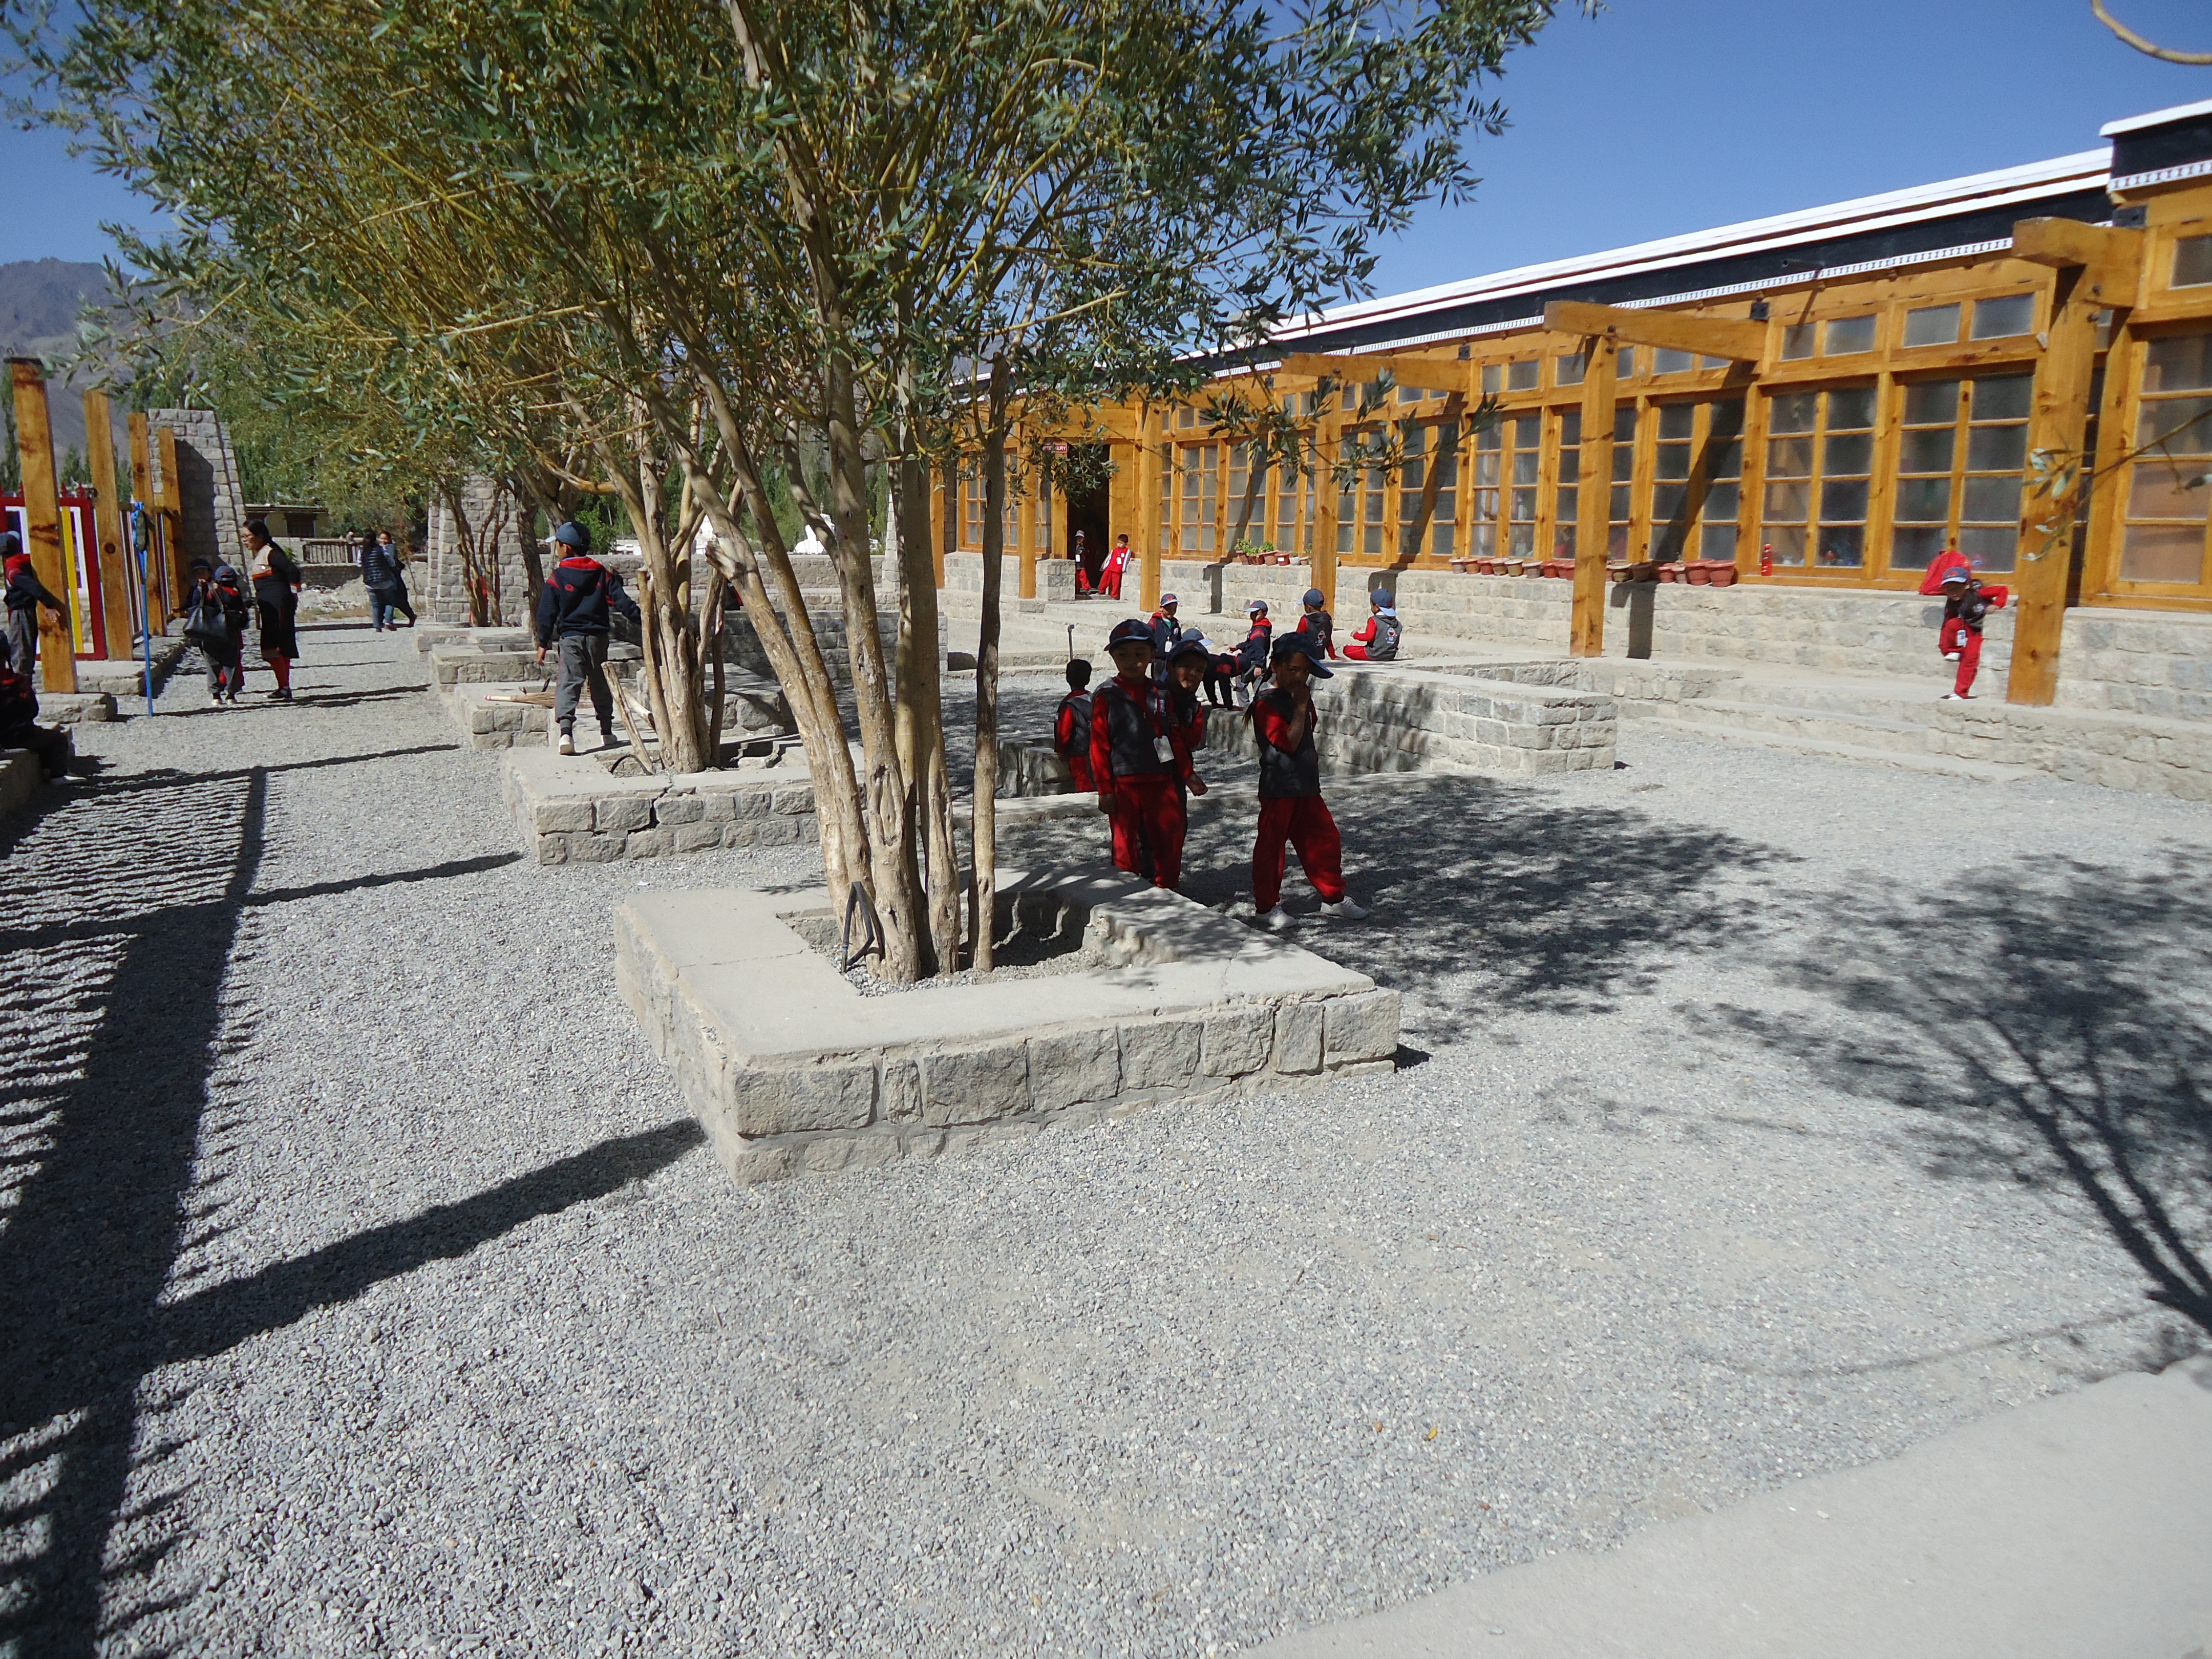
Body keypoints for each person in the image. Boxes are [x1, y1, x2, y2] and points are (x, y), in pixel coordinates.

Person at [1250, 633, 1367, 930]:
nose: (1299, 677)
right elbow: (1288, 742)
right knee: (1272, 847)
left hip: (1306, 785)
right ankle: (1266, 906)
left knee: (1325, 838)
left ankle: (1333, 897)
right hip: (1279, 787)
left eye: (1304, 672)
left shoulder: (1300, 698)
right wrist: (1300, 708)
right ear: (1275, 666)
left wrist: (1302, 705)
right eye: (1292, 670)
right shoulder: (1267, 703)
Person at [1089, 618, 1198, 889]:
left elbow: (1172, 737)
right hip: (1124, 784)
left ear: (1152, 655)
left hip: (1162, 781)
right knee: (1125, 843)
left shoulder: (1161, 692)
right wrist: (1105, 789)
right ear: (1113, 657)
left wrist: (1188, 774)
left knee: (1170, 836)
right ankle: (1126, 894)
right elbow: (1099, 745)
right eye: (1123, 655)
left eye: (1139, 654)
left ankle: (1167, 889)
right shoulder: (1106, 695)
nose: (1132, 661)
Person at [534, 518, 642, 754]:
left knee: (569, 682)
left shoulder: (558, 577)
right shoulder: (601, 573)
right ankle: (607, 731)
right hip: (598, 639)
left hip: (571, 639)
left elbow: (546, 612)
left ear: (565, 547)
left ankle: (566, 734)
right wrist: (642, 620)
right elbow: (622, 601)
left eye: (558, 544)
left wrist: (543, 642)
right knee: (600, 682)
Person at [243, 518, 304, 700]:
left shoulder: (271, 553)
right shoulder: (262, 554)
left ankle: (285, 687)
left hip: (279, 606)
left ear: (260, 536)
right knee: (274, 646)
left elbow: (292, 571)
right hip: (269, 606)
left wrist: (293, 592)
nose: (245, 541)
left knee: (278, 645)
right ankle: (283, 686)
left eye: (248, 536)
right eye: (243, 537)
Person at [182, 557, 251, 704]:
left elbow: (196, 605)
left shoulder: (207, 591)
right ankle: (231, 695)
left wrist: (202, 590)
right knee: (231, 664)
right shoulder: (235, 593)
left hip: (209, 633)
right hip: (229, 633)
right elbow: (242, 612)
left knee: (212, 664)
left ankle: (216, 695)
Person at [1934, 564, 2009, 700]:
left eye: (1957, 588)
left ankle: (1961, 692)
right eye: (1949, 589)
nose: (1953, 592)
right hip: (1966, 629)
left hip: (1978, 632)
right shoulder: (1951, 603)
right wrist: (1946, 648)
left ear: (1967, 585)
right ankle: (1955, 652)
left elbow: (2002, 590)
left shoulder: (1979, 593)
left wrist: (1997, 605)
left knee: (1970, 659)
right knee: (1952, 624)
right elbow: (1947, 625)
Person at [0, 650, 78, 779]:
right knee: (57, 739)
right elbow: (32, 711)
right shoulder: (18, 682)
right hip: (19, 735)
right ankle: (58, 775)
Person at [3, 531, 68, 680]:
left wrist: (49, 604)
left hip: (22, 611)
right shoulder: (25, 561)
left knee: (20, 648)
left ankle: (22, 683)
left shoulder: (13, 567)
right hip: (27, 609)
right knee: (24, 647)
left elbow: (31, 586)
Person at [1053, 658, 1096, 791]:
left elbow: (1064, 731)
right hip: (1096, 747)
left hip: (1078, 752)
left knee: (1082, 779)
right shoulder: (1094, 699)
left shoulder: (1069, 704)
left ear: (1067, 679)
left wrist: (1061, 750)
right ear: (1088, 680)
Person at [362, 530, 416, 630]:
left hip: (392, 579)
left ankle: (386, 622)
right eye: (382, 539)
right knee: (384, 602)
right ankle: (384, 622)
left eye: (386, 539)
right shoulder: (378, 549)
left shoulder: (388, 548)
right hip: (385, 578)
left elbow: (391, 562)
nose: (383, 541)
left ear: (390, 540)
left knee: (397, 601)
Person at [1343, 588, 1402, 662]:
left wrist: (1355, 635)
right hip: (1390, 655)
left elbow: (1368, 637)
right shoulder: (1397, 624)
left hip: (1373, 654)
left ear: (1376, 607)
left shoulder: (1374, 620)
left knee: (1347, 650)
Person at [1148, 592, 1183, 680]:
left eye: (1174, 609)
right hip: (1158, 660)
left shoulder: (1175, 624)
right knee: (1158, 681)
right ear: (1161, 608)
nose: (1172, 612)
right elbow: (1149, 638)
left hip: (1171, 660)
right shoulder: (1154, 622)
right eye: (1169, 609)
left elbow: (1179, 640)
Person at [1294, 587, 1337, 658]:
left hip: (1307, 658)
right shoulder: (1328, 619)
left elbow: (1297, 640)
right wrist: (1333, 656)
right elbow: (1328, 640)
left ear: (1308, 607)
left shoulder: (1305, 621)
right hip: (1320, 657)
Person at [1099, 533, 1132, 600]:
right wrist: (1104, 567)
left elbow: (1127, 559)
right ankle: (1101, 590)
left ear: (1126, 544)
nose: (1119, 544)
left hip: (1117, 570)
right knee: (1105, 579)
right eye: (1118, 543)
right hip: (1110, 567)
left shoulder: (1127, 551)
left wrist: (1123, 569)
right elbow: (1109, 558)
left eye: (1121, 543)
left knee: (1116, 583)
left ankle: (1115, 595)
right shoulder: (1114, 550)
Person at [1071, 529, 1095, 595]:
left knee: (1083, 577)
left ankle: (1087, 588)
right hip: (1075, 564)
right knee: (1076, 578)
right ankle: (1077, 589)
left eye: (1081, 538)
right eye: (1078, 538)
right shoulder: (1073, 546)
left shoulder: (1084, 547)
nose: (1079, 539)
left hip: (1081, 565)